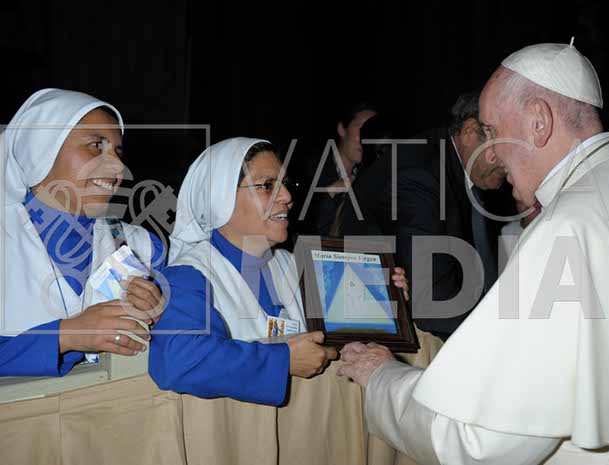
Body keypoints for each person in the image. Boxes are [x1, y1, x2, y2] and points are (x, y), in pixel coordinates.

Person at [336, 42, 609, 464]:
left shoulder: (568, 224)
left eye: (492, 131)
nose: (489, 152)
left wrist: (381, 376)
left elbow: (479, 441)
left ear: (539, 121)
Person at [148, 137, 409, 404]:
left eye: (284, 184)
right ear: (220, 197)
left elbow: (351, 334)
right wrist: (282, 360)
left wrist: (387, 300)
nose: (287, 197)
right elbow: (177, 361)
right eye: (267, 186)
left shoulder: (294, 264)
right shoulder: (188, 275)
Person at [1, 89, 165, 377]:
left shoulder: (144, 246)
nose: (118, 167)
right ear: (41, 149)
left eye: (118, 151)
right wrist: (65, 336)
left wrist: (161, 319)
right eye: (95, 146)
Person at [342, 92, 510, 340]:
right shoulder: (419, 175)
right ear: (469, 132)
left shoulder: (456, 168)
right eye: (504, 143)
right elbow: (434, 304)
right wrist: (499, 339)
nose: (510, 158)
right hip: (379, 333)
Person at [298, 102, 377, 237]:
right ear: (342, 129)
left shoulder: (372, 179)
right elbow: (300, 230)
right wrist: (329, 193)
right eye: (362, 128)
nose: (367, 138)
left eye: (373, 132)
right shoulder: (308, 170)